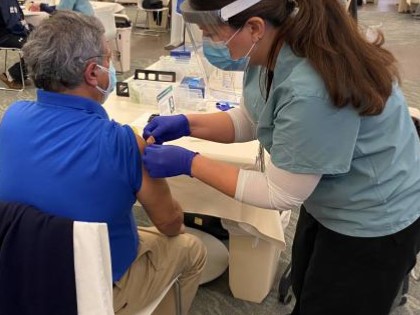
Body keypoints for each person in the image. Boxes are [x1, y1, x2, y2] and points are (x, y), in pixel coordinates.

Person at [141, 0, 420, 314]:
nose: (210, 44)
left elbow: (281, 191)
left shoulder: (312, 87)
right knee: (308, 286)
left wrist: (189, 162)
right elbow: (252, 118)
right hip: (329, 199)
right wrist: (187, 123)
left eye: (212, 34)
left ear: (255, 27)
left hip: (374, 218)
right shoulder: (274, 48)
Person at [0, 11, 206, 315]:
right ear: (92, 73)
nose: (112, 68)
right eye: (109, 60)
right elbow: (170, 223)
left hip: (19, 273)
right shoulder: (123, 142)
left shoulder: (12, 117)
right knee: (191, 249)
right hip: (88, 292)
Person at [0, 0, 31, 89]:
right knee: (36, 46)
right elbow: (14, 25)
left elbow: (19, 20)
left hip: (9, 33)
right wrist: (28, 31)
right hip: (5, 36)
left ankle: (21, 74)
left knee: (39, 41)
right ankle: (11, 75)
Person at [28, 0, 94, 16]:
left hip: (83, 26)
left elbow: (60, 14)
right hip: (88, 24)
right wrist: (41, 7)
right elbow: (61, 8)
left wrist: (42, 6)